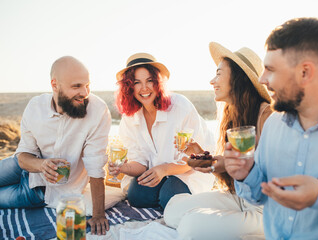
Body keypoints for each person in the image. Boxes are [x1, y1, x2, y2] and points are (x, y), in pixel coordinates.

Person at [224, 17, 318, 239]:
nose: (261, 79)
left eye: (270, 69)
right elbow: (260, 195)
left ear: (305, 72)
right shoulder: (273, 125)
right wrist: (246, 173)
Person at [164, 42, 273, 239]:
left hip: (265, 210)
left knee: (190, 225)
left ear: (239, 78)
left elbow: (271, 175)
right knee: (172, 211)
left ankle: (241, 227)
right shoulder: (233, 115)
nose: (212, 80)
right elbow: (235, 170)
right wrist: (210, 160)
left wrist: (226, 164)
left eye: (219, 73)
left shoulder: (266, 115)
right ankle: (230, 224)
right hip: (238, 197)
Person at [0, 56, 112, 235]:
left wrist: (98, 214)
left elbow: (96, 164)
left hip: (37, 192)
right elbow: (23, 155)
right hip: (20, 167)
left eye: (87, 85)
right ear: (55, 85)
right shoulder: (35, 107)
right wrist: (42, 165)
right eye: (76, 86)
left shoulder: (98, 110)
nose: (85, 92)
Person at [108, 53, 214, 210]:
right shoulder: (130, 118)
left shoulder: (180, 107)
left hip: (188, 171)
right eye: (137, 82)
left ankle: (170, 197)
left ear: (158, 82)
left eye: (149, 80)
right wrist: (124, 168)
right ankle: (163, 195)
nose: (144, 88)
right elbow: (141, 163)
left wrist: (163, 169)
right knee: (136, 196)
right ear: (129, 87)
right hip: (156, 173)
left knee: (169, 196)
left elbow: (197, 160)